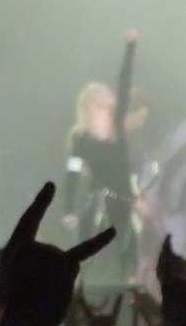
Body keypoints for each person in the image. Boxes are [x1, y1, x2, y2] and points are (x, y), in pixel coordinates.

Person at [63, 30, 150, 284]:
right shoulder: (80, 139)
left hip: (122, 197)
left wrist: (130, 47)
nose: (109, 97)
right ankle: (76, 283)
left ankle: (131, 283)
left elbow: (124, 81)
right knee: (86, 243)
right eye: (101, 96)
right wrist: (68, 208)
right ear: (91, 105)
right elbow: (72, 174)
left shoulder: (118, 127)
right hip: (96, 197)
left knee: (126, 244)